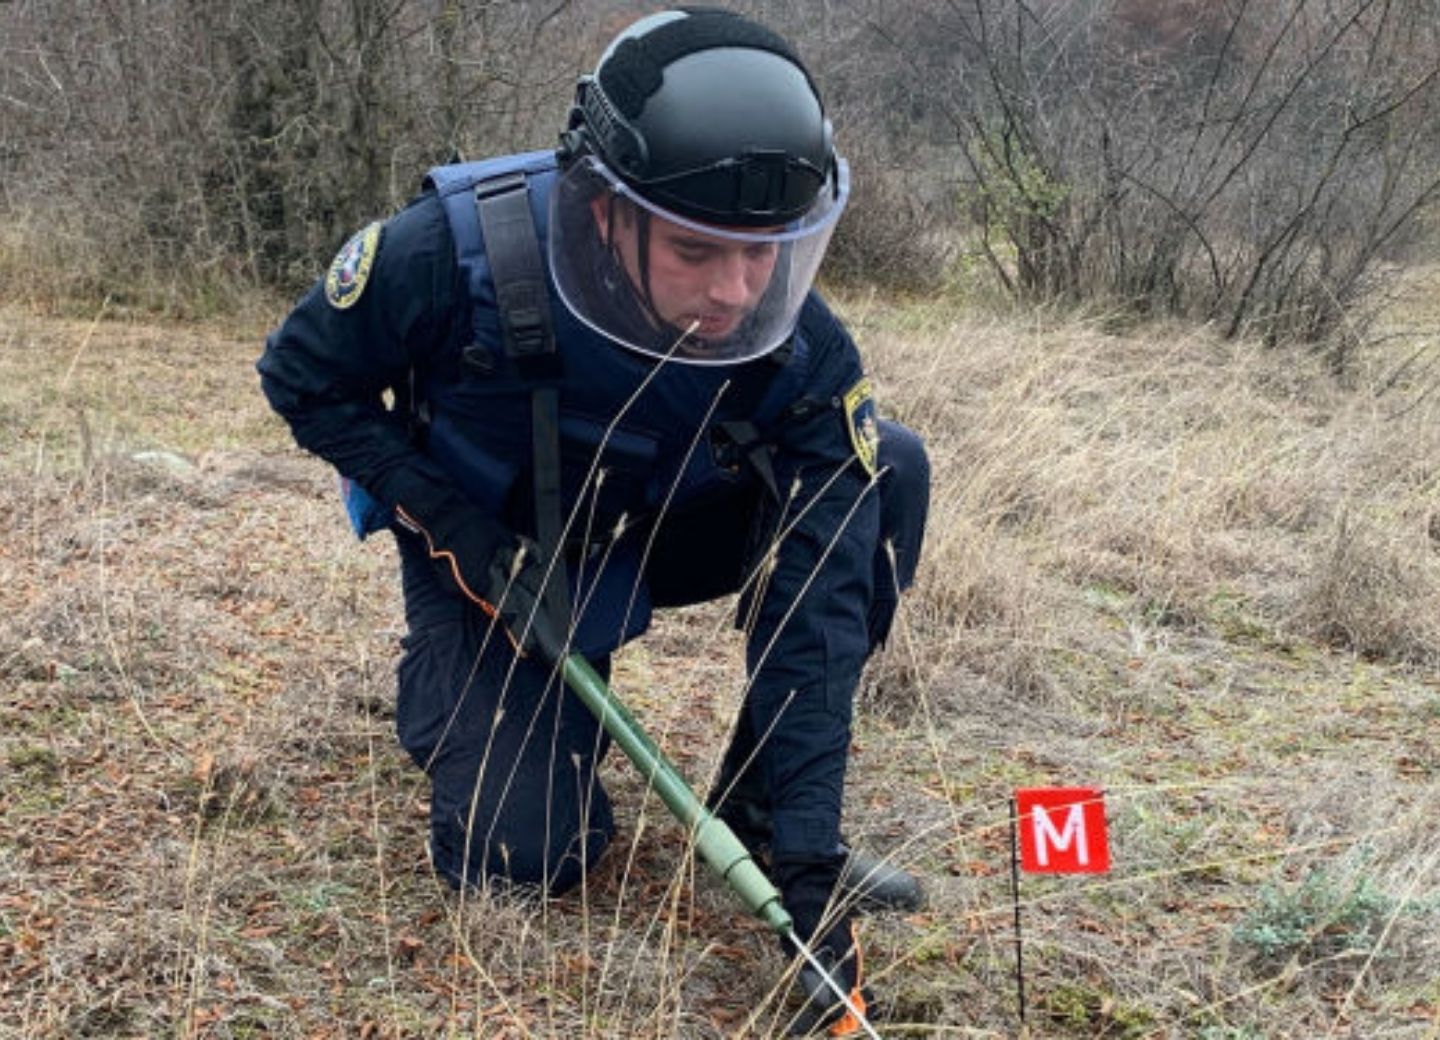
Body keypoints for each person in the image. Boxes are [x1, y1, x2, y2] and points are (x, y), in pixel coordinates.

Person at [258, 8, 929, 1035]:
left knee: (889, 472)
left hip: (647, 533)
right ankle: (449, 678)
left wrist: (804, 862)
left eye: (764, 255)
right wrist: (452, 528)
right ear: (609, 208)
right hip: (490, 546)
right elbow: (302, 377)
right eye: (699, 251)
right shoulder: (449, 251)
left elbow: (822, 602)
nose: (735, 291)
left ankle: (753, 807)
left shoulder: (792, 340)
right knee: (529, 856)